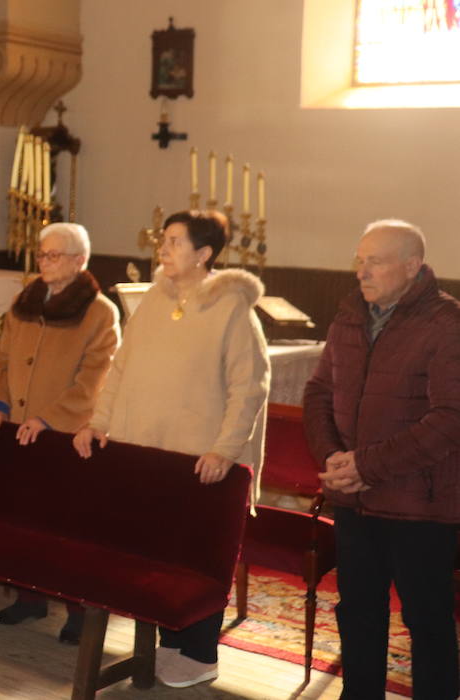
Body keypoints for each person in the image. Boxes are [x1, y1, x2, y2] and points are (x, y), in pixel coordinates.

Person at [73, 210, 268, 689]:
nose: (164, 247)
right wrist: (99, 422)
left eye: (176, 241)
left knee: (196, 555)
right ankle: (167, 645)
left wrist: (225, 449)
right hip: (147, 450)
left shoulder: (232, 306)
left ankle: (199, 652)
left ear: (204, 254)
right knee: (157, 552)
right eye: (164, 239)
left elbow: (250, 385)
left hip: (200, 457)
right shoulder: (154, 300)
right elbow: (121, 369)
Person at [303, 220, 460, 700]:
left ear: (412, 266)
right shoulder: (349, 317)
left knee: (426, 618)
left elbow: (450, 418)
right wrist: (333, 457)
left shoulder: (446, 324)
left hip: (420, 505)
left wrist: (366, 466)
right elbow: (318, 393)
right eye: (359, 259)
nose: (361, 271)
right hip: (354, 499)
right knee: (358, 611)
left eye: (375, 261)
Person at [0, 222, 119, 643]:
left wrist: (50, 418)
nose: (44, 262)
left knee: (68, 526)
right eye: (41, 254)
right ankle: (29, 598)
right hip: (19, 427)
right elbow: (1, 359)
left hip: (65, 435)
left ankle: (77, 609)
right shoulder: (26, 301)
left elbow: (95, 379)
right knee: (23, 517)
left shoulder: (99, 312)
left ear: (79, 261)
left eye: (53, 255)